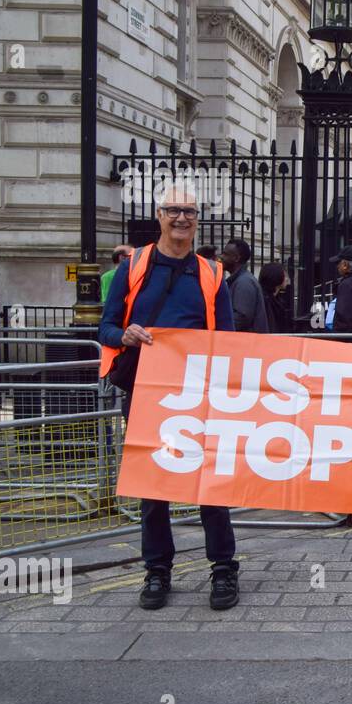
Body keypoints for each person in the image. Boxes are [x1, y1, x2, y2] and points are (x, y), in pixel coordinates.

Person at [97, 183, 240, 611]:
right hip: (146, 388)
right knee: (152, 485)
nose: (182, 218)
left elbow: (229, 338)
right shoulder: (134, 266)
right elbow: (104, 327)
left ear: (198, 219)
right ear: (159, 215)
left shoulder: (212, 273)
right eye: (174, 210)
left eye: (190, 211)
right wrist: (125, 334)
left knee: (209, 481)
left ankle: (223, 569)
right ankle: (157, 572)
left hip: (199, 390)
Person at [220, 238, 269, 333]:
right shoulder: (240, 280)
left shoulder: (244, 283)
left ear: (236, 258)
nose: (221, 257)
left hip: (248, 344)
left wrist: (218, 326)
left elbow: (240, 319)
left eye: (225, 254)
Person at [258, 262, 291, 334]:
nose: (287, 279)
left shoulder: (276, 299)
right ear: (276, 276)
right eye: (285, 275)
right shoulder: (265, 300)